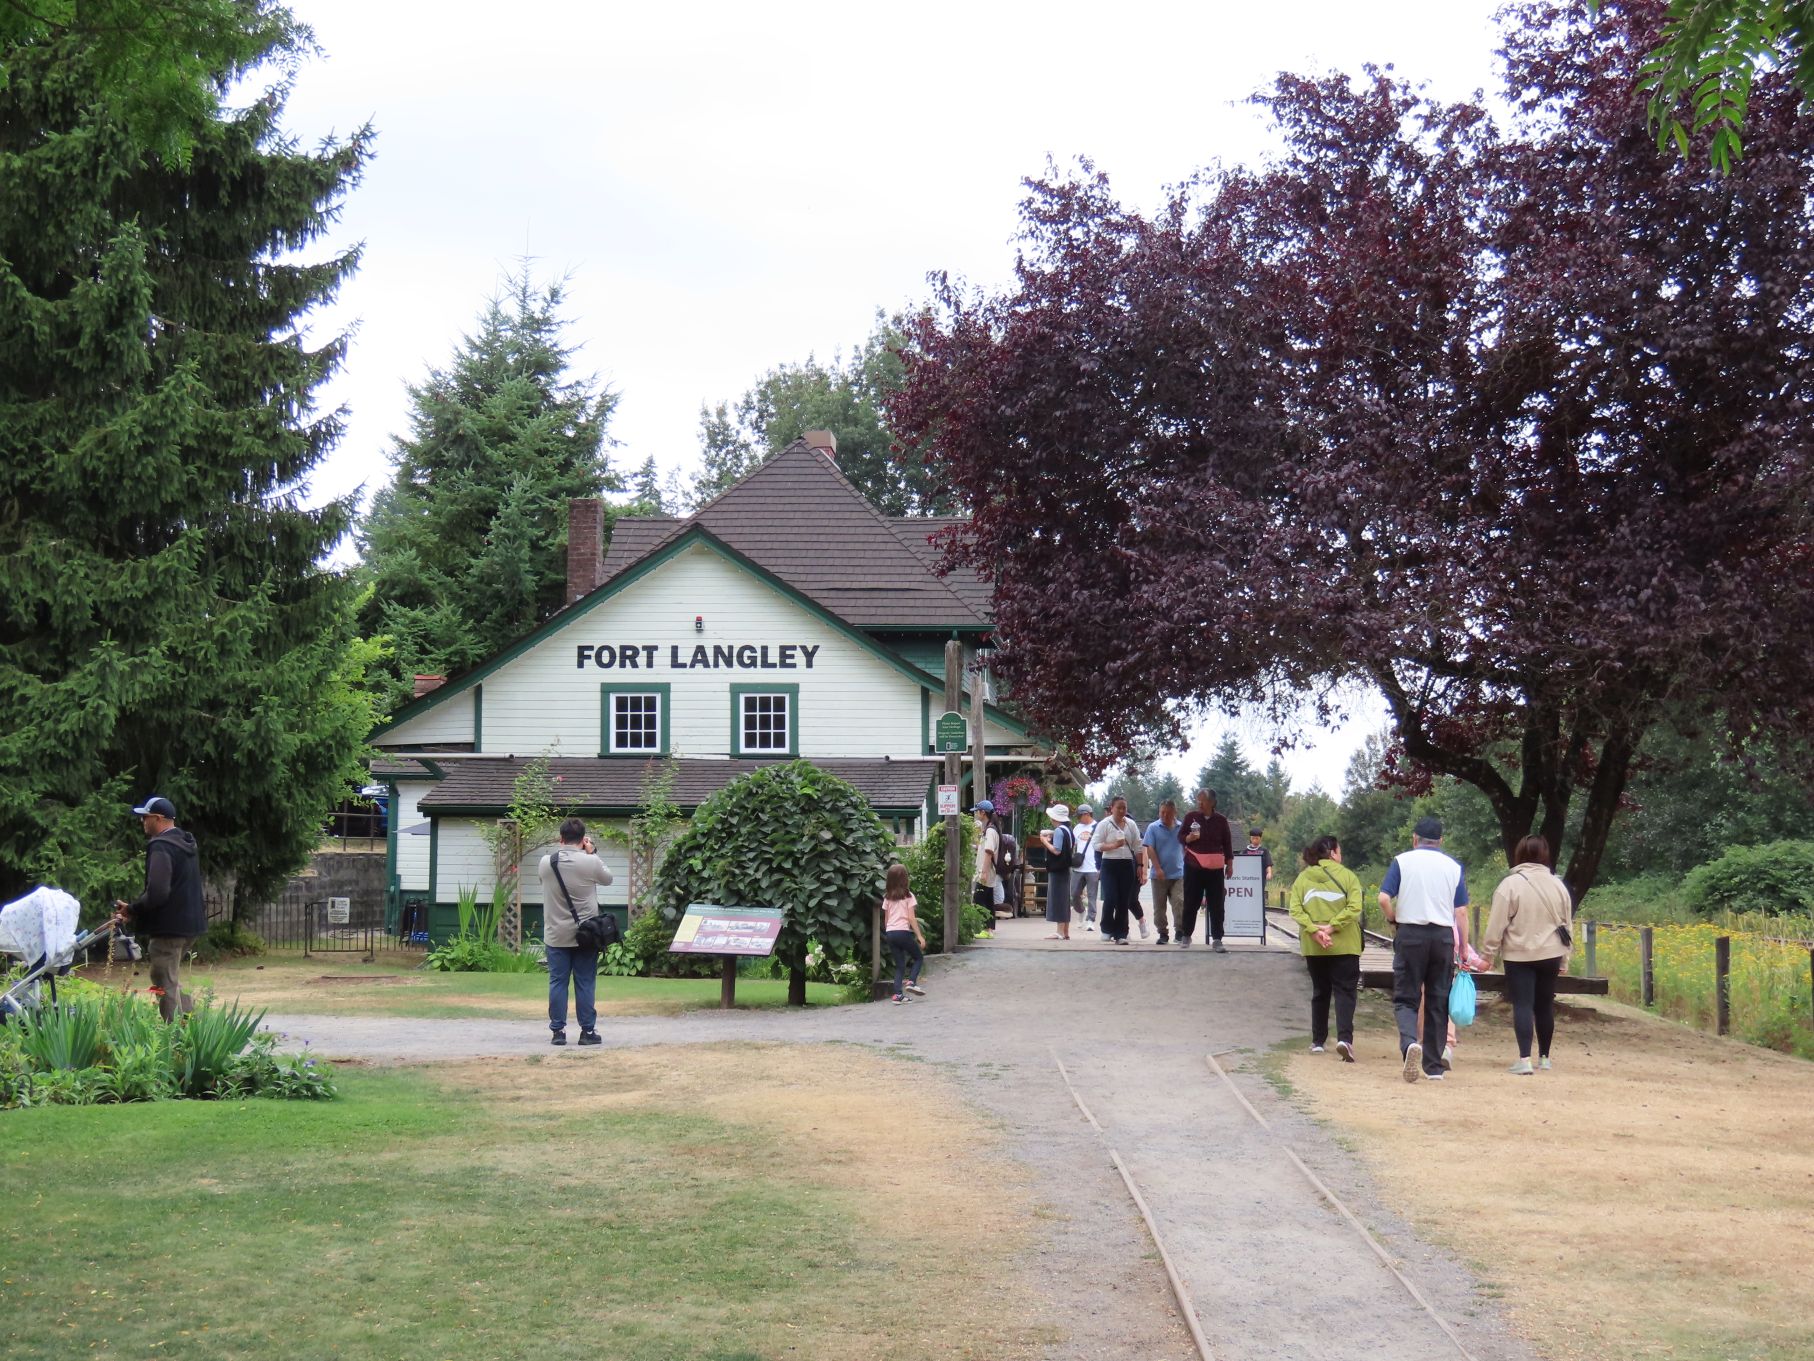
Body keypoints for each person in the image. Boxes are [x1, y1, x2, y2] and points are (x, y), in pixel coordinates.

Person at [1379, 815, 1470, 1083]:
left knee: (1406, 997)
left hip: (1411, 935)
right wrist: (1463, 947)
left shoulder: (1402, 861)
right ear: (1441, 841)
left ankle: (1410, 1044)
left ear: (1414, 839)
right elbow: (1461, 911)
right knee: (1438, 998)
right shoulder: (1453, 867)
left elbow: (1383, 897)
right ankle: (1433, 1066)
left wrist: (1393, 917)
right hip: (1442, 937)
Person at [1483, 835, 1574, 1075]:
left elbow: (1497, 924)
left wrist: (1488, 953)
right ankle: (1544, 1058)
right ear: (1545, 855)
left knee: (1523, 1004)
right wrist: (1565, 958)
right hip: (1551, 953)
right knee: (1544, 1005)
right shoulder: (1558, 885)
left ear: (1519, 854)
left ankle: (1524, 1059)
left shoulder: (1510, 885)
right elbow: (1568, 925)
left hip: (1519, 955)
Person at [112, 796, 206, 1022]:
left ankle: (175, 1034)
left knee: (163, 978)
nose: (142, 821)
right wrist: (134, 910)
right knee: (168, 977)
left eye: (145, 817)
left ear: (159, 818)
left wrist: (133, 909)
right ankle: (190, 1024)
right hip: (190, 925)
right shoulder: (185, 843)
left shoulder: (162, 846)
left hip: (170, 929)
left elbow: (158, 892)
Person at [537, 817, 615, 1047]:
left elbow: (543, 881)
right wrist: (592, 853)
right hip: (586, 935)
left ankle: (558, 1032)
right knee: (585, 982)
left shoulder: (546, 862)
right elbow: (608, 879)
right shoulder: (590, 862)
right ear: (583, 840)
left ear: (561, 838)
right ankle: (587, 1031)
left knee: (558, 982)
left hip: (555, 934)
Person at [1287, 835, 1364, 1060]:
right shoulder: (1348, 876)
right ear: (1332, 852)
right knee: (1345, 992)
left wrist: (1314, 930)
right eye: (1339, 850)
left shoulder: (1303, 878)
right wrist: (1331, 928)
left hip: (1314, 946)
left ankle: (1318, 1041)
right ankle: (1344, 1040)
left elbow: (1295, 910)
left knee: (1320, 992)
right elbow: (1354, 907)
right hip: (1345, 945)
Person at [1178, 788, 1234, 951]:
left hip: (1215, 868)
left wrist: (1229, 864)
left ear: (1212, 802)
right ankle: (1186, 935)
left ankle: (1217, 939)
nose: (1199, 804)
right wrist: (1189, 838)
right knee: (1191, 902)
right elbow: (1180, 837)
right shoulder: (1190, 817)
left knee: (1217, 904)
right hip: (1193, 866)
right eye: (1198, 800)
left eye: (1202, 800)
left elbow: (1227, 844)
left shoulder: (1221, 820)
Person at [1094, 796, 1147, 944]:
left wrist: (1140, 866)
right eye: (1119, 807)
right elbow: (1096, 845)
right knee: (1111, 897)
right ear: (1112, 808)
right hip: (1109, 864)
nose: (1122, 810)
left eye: (1124, 807)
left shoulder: (1131, 824)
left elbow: (1138, 846)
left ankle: (1121, 933)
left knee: (1124, 900)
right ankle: (1106, 929)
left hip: (1126, 864)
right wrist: (1114, 846)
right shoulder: (1104, 824)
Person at [881, 862, 927, 1003]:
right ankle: (912, 982)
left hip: (890, 933)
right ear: (904, 879)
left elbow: (886, 919)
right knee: (918, 957)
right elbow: (911, 918)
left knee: (900, 965)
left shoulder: (887, 897)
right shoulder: (908, 896)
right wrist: (919, 936)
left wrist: (889, 934)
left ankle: (897, 995)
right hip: (903, 932)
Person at [1143, 799, 1186, 945]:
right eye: (1162, 812)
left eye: (1168, 812)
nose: (1165, 815)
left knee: (1179, 902)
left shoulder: (1182, 827)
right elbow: (1150, 848)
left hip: (1178, 873)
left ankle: (1180, 931)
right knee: (1159, 906)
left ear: (1175, 812)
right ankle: (1163, 933)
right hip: (1158, 875)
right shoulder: (1153, 828)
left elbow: (1187, 847)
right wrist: (1158, 868)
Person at [1038, 804, 1076, 940]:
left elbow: (1056, 850)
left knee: (1058, 898)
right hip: (1065, 868)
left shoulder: (1059, 831)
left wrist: (1044, 841)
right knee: (1064, 899)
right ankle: (1065, 931)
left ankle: (1059, 931)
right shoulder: (1068, 830)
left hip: (1058, 869)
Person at [1070, 804, 1101, 930]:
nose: (1078, 818)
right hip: (1079, 867)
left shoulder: (1098, 827)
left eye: (1079, 816)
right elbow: (1073, 844)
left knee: (1092, 895)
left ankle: (1090, 920)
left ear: (1087, 814)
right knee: (1074, 894)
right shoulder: (1077, 828)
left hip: (1093, 867)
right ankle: (1081, 911)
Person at [972, 801, 1002, 919]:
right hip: (990, 871)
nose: (977, 814)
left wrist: (983, 872)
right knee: (989, 900)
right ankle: (989, 929)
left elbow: (989, 852)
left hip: (985, 871)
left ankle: (984, 927)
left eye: (977, 811)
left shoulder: (990, 831)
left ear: (983, 812)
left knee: (979, 899)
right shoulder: (991, 829)